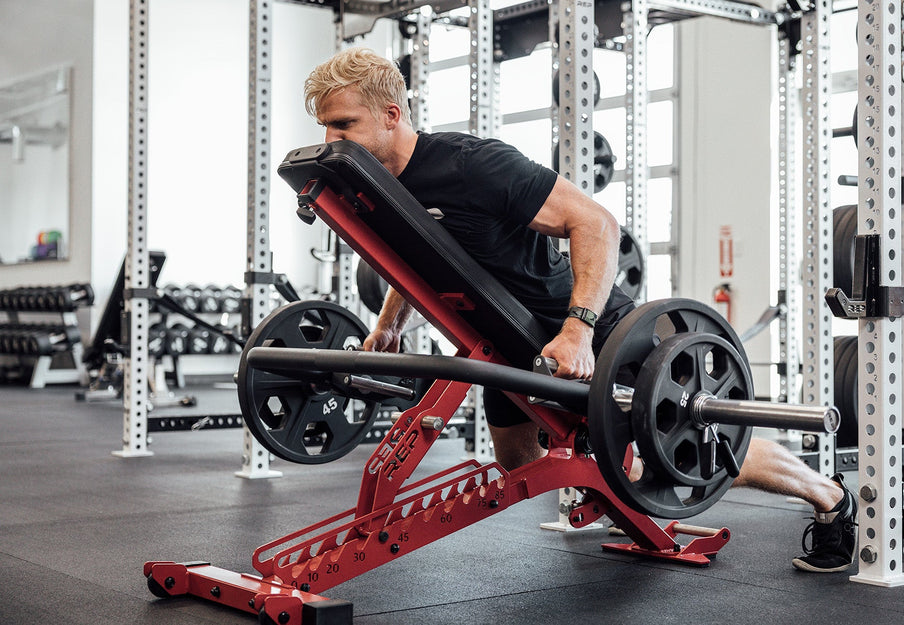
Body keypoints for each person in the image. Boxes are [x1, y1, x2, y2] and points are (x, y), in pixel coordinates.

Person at [303, 47, 857, 574]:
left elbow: (595, 223)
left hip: (589, 329)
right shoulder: (380, 188)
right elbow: (415, 257)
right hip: (510, 342)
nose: (332, 139)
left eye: (344, 124)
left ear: (391, 115)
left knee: (688, 450)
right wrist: (388, 327)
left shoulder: (473, 165)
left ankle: (829, 497)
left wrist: (578, 331)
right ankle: (617, 482)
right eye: (326, 126)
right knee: (521, 464)